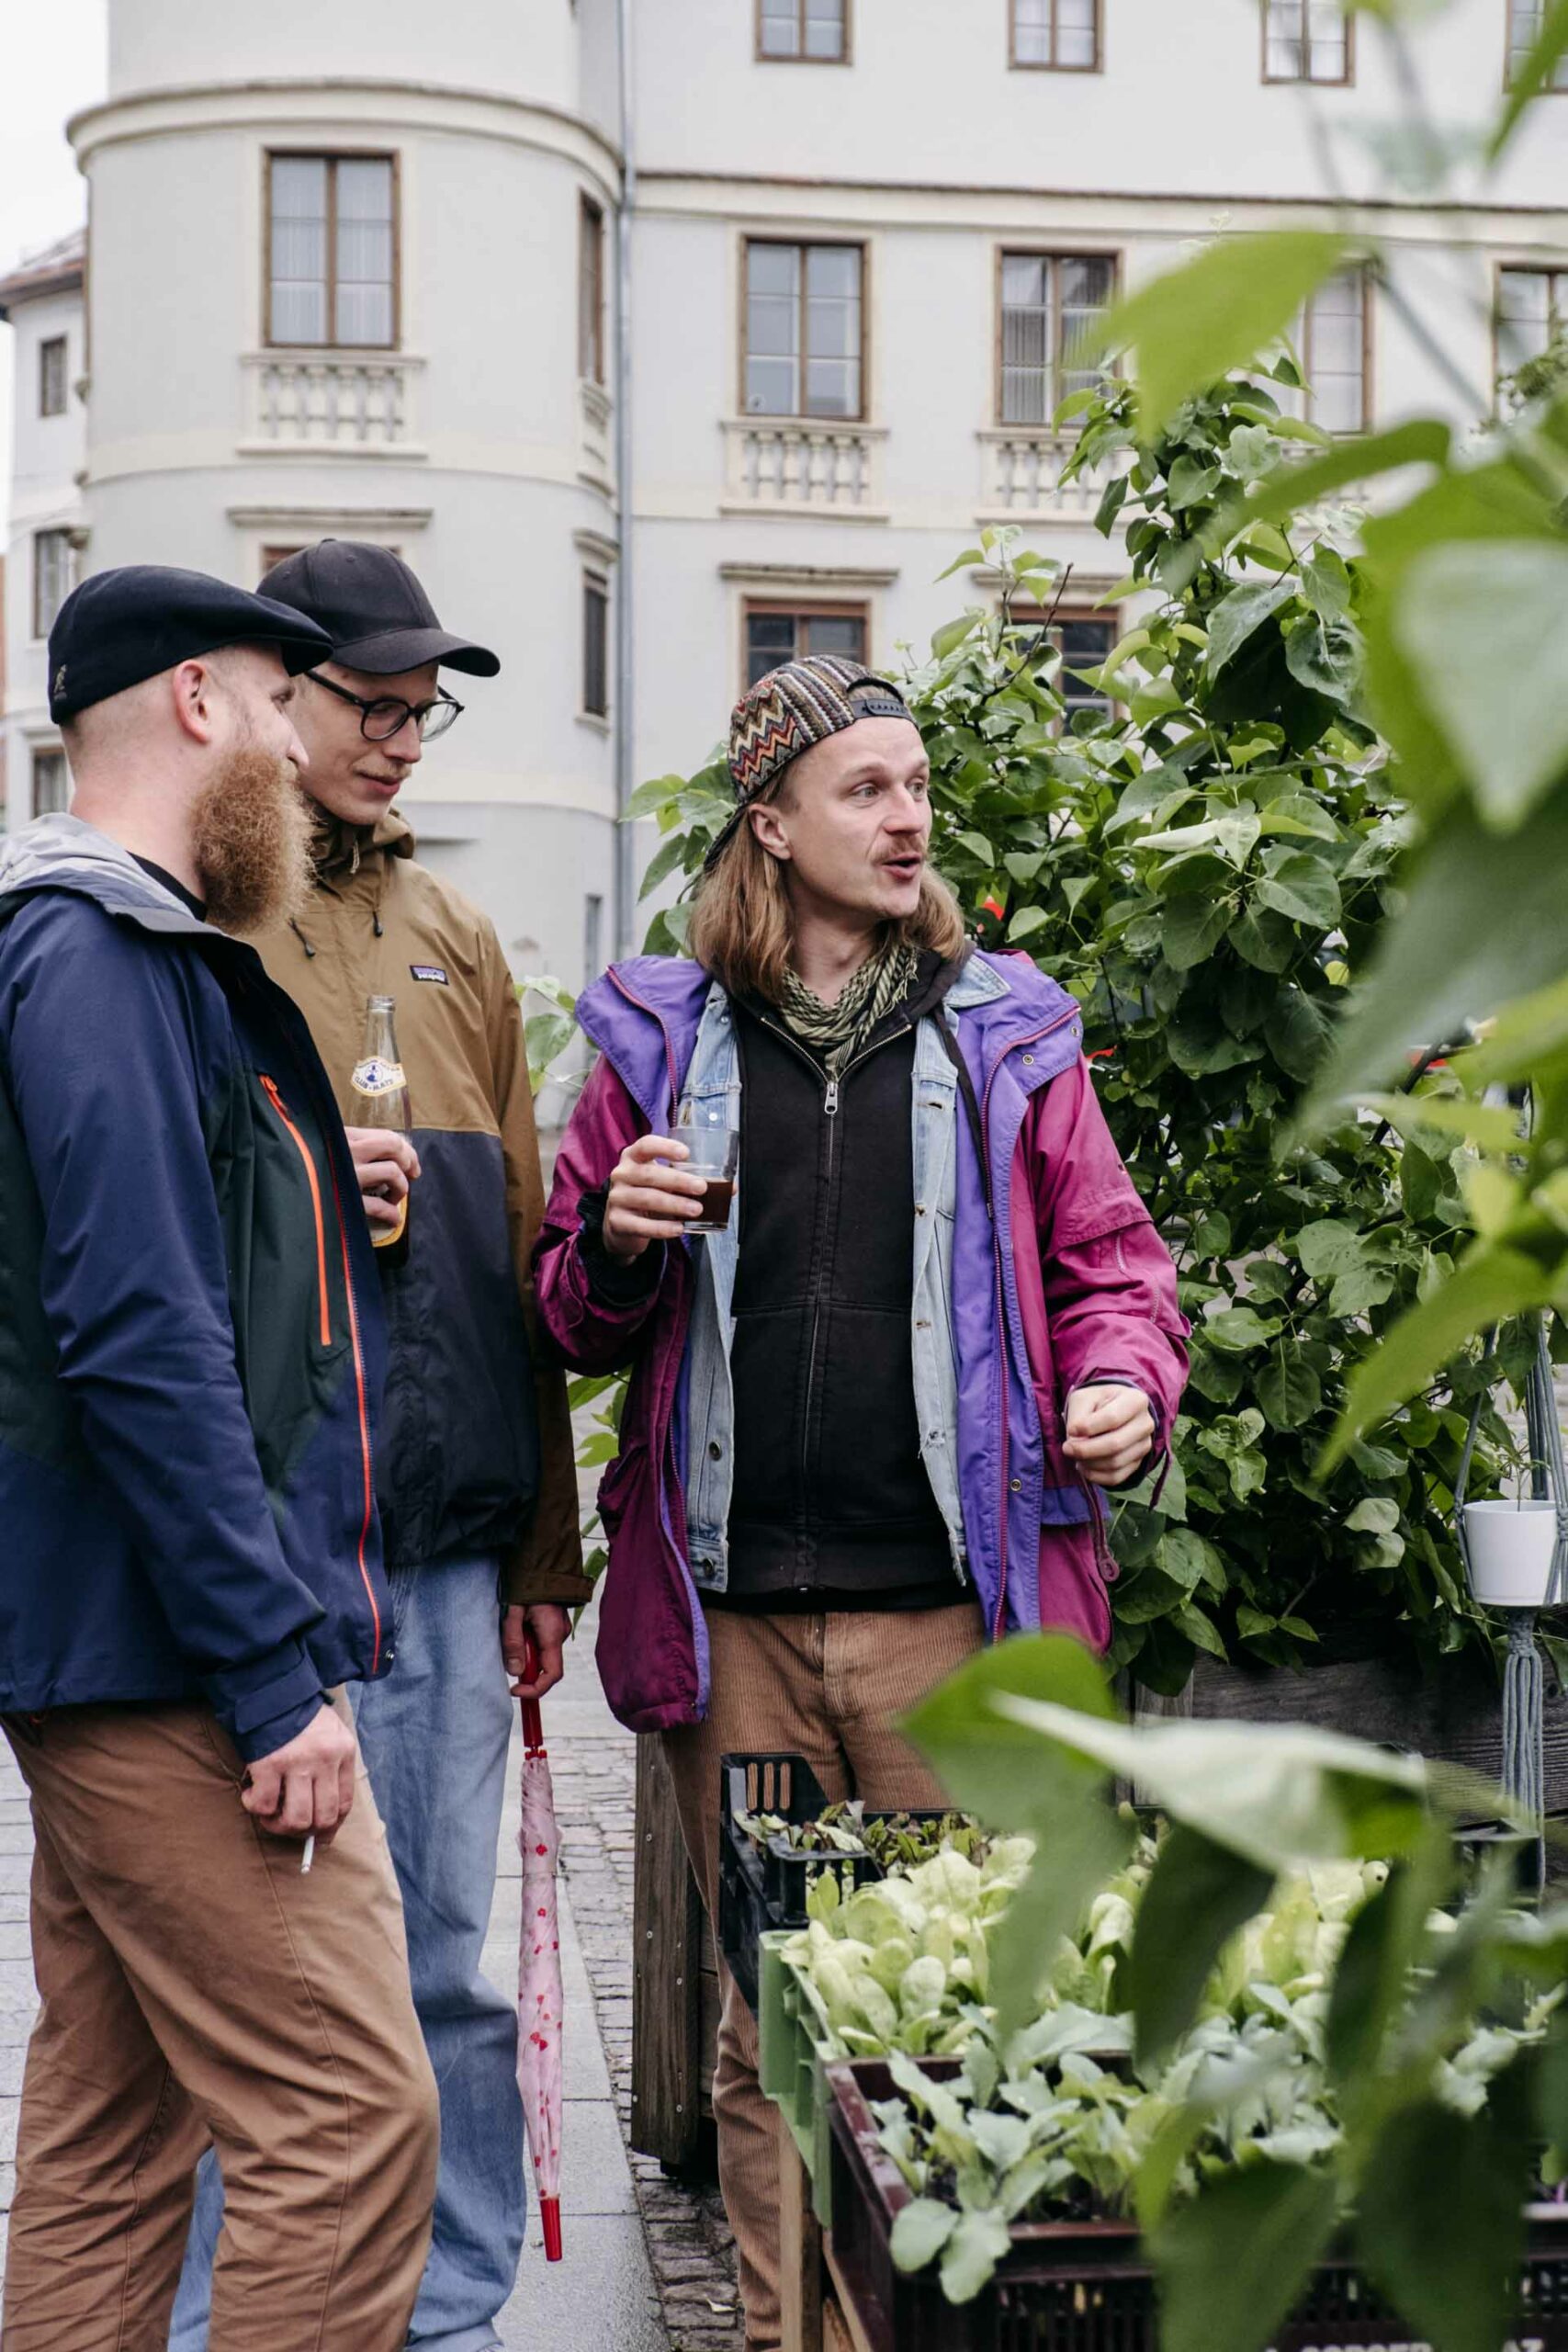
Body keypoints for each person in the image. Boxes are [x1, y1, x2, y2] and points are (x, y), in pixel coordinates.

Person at [534, 653, 1189, 2350]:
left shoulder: (1007, 1035)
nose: (910, 821)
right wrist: (613, 1241)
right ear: (771, 823)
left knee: (968, 2016)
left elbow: (1115, 1269)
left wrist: (1126, 1384)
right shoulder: (661, 1043)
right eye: (868, 790)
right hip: (736, 1633)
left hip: (954, 1632)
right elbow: (568, 1312)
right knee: (775, 2027)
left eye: (918, 789)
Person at [0, 566, 439, 2352]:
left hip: (119, 1647)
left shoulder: (106, 949)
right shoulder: (98, 951)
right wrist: (269, 1675)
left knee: (113, 2139)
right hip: (173, 1664)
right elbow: (136, 1332)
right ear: (197, 702)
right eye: (274, 702)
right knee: (350, 2122)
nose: (292, 740)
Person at [171, 539, 589, 2352]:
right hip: (266, 1551)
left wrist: (545, 1552)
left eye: (427, 711)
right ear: (283, 693)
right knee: (251, 1975)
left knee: (443, 1962)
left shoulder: (460, 936)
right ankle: (225, 2313)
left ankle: (455, 2306)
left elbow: (522, 1266)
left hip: (444, 1546)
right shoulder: (189, 918)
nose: (405, 738)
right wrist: (308, 1188)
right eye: (374, 703)